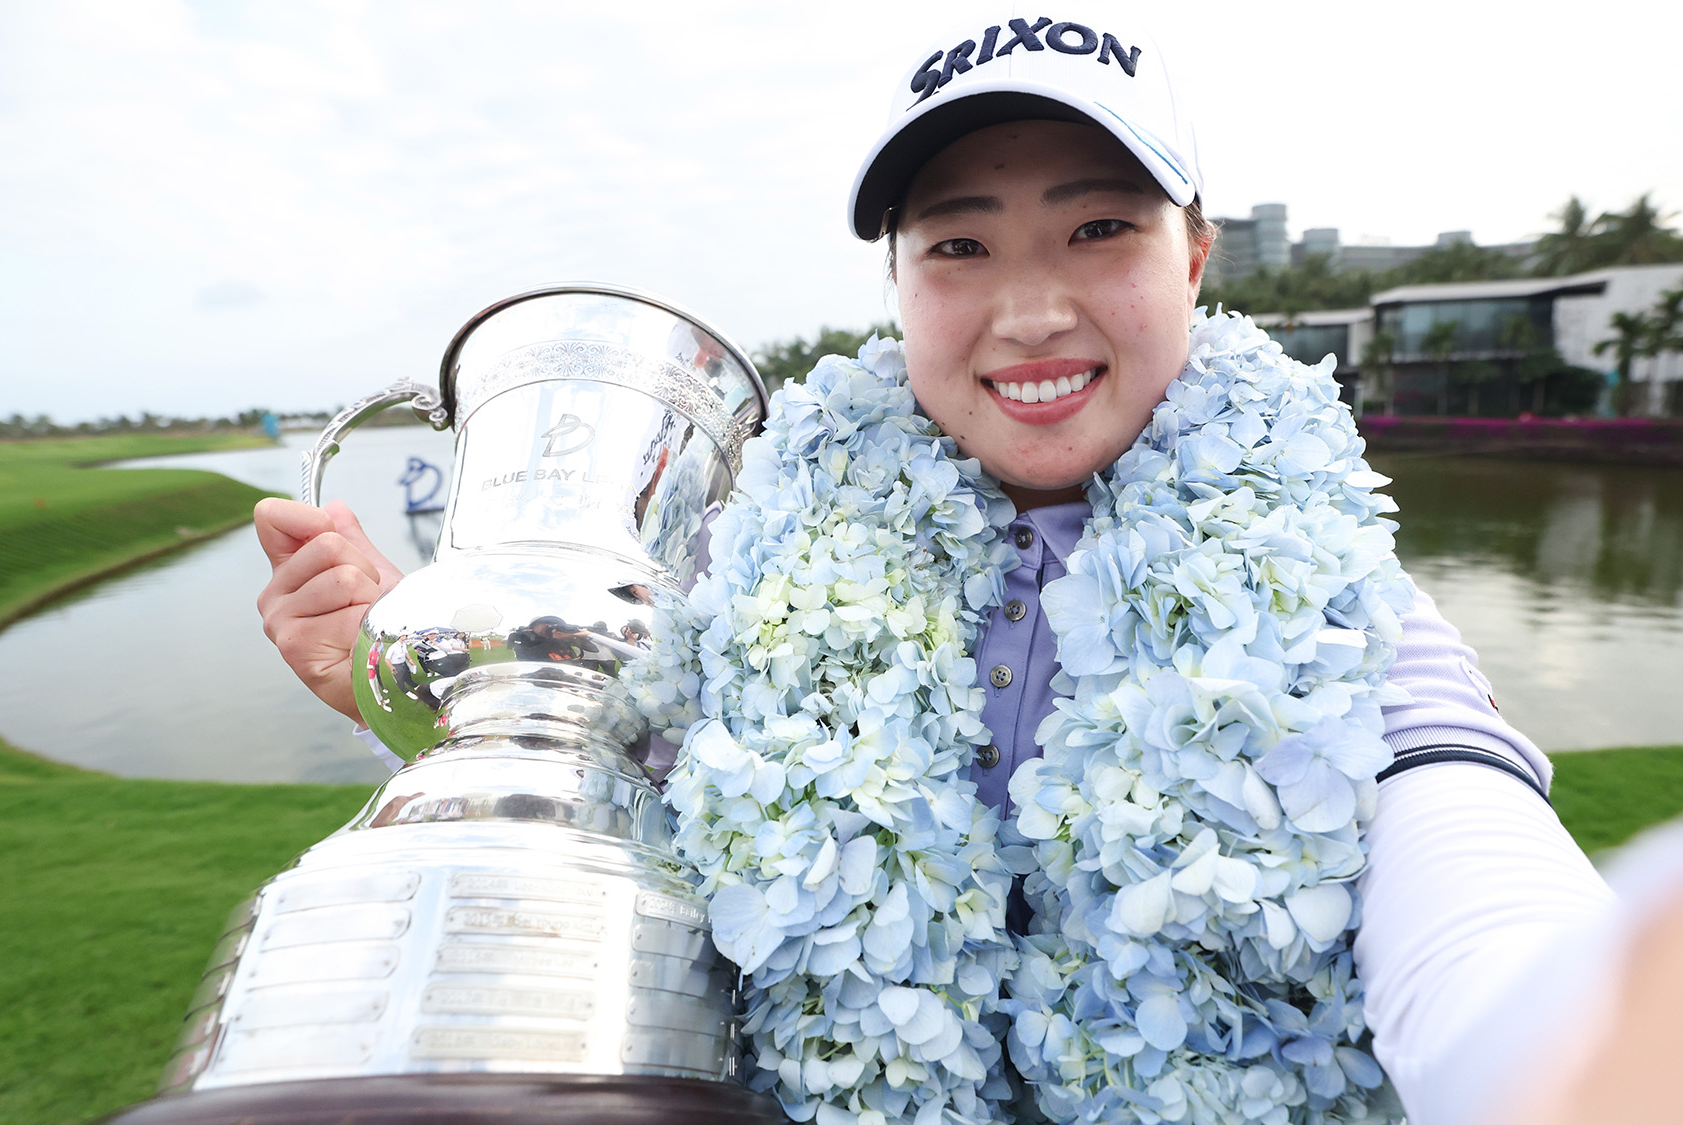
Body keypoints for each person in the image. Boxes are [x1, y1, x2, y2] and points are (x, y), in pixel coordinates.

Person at [254, 11, 1610, 1123]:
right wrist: (450, 703)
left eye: (1099, 229)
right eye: (960, 244)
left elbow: (1479, 894)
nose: (1029, 312)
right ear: (899, 286)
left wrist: (1596, 1066)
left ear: (1193, 256)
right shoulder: (759, 573)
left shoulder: (1335, 602)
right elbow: (629, 820)